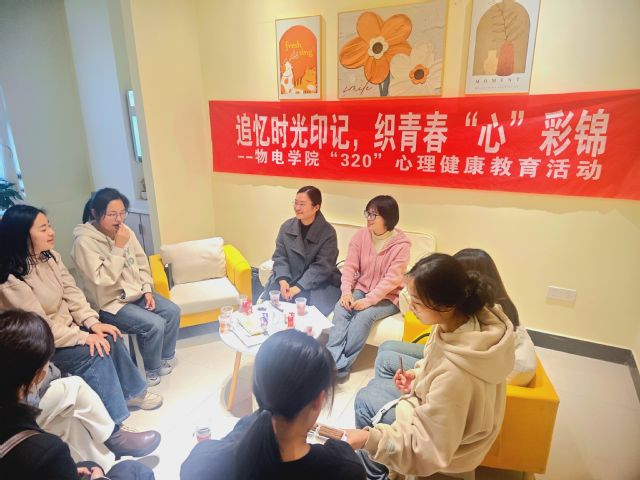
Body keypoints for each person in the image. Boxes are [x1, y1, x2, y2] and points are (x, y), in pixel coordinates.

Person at [347, 253, 515, 479]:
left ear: (445, 305)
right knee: (374, 387)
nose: (411, 308)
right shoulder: (461, 322)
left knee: (364, 400)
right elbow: (434, 366)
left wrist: (369, 439)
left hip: (448, 449)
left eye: (416, 303)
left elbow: (426, 450)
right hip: (445, 419)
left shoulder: (455, 375)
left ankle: (378, 475)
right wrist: (418, 376)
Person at [0, 204, 162, 428]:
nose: (51, 232)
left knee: (111, 337)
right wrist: (84, 337)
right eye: (43, 229)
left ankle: (132, 393)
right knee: (95, 353)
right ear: (22, 235)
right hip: (41, 345)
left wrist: (92, 323)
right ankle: (114, 427)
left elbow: (72, 293)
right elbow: (39, 327)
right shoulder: (11, 279)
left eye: (50, 226)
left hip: (69, 328)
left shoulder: (50, 257)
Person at [180, 329, 366, 479]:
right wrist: (345, 448)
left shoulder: (202, 463)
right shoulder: (345, 470)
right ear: (319, 400)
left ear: (255, 388)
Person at [0, 309, 155, 479]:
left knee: (66, 420)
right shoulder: (45, 451)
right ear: (36, 376)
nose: (49, 365)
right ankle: (113, 441)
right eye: (47, 362)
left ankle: (106, 461)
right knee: (138, 471)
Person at [374, 248, 536, 387]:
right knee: (387, 347)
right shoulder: (491, 305)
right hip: (446, 359)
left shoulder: (477, 316)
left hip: (460, 368)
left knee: (386, 360)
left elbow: (452, 363)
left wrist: (416, 380)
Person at [72, 188, 180, 386]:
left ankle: (163, 357)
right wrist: (118, 247)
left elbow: (142, 262)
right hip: (110, 303)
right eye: (112, 214)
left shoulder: (125, 231)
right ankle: (150, 368)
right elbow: (103, 279)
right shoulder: (84, 242)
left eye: (122, 213)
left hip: (136, 293)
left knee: (172, 311)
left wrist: (147, 289)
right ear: (95, 213)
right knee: (154, 324)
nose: (119, 219)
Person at [326, 195, 411, 379]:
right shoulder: (361, 236)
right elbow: (350, 266)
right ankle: (333, 361)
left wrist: (368, 301)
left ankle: (340, 366)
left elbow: (391, 280)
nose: (368, 218)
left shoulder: (401, 245)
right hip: (362, 287)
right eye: (368, 213)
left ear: (388, 218)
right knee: (341, 308)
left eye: (374, 215)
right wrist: (346, 293)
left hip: (389, 295)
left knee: (364, 316)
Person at [262, 186, 341, 317]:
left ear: (316, 207)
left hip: (316, 282)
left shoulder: (328, 233)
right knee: (272, 304)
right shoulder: (287, 227)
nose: (297, 208)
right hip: (289, 277)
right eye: (296, 203)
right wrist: (282, 280)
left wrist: (298, 287)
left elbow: (322, 267)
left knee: (303, 307)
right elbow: (280, 257)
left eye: (302, 204)